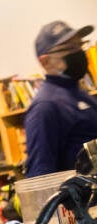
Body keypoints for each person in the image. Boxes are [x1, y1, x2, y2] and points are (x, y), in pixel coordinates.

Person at [24, 20, 97, 177]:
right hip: (82, 200)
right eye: (70, 48)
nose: (79, 53)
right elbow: (41, 173)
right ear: (45, 61)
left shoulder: (79, 94)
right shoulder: (46, 106)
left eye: (79, 45)